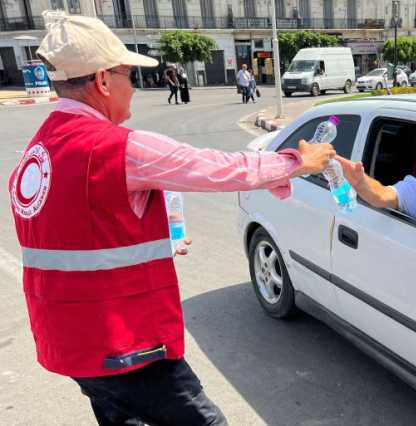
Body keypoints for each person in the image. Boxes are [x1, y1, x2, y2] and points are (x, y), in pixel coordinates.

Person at [9, 12, 335, 426]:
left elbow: (78, 232)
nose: (135, 86)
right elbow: (219, 167)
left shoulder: (36, 154)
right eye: (129, 74)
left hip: (69, 343)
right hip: (123, 344)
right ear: (103, 81)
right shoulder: (117, 148)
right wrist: (296, 161)